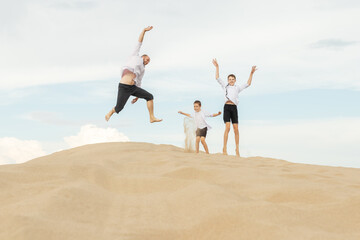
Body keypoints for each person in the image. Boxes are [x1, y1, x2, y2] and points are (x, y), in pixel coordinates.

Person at [105, 26, 162, 123]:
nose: (148, 61)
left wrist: (137, 97)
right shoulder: (135, 55)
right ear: (142, 56)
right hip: (124, 86)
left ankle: (151, 117)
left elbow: (139, 81)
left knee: (149, 96)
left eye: (149, 61)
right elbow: (139, 43)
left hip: (133, 88)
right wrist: (144, 31)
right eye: (147, 59)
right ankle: (110, 112)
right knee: (119, 107)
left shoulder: (143, 69)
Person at [212, 58, 257, 157]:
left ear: (235, 80)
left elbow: (248, 84)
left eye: (233, 79)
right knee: (227, 128)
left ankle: (237, 148)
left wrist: (251, 73)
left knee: (236, 129)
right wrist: (217, 67)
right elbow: (217, 78)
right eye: (230, 79)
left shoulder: (237, 88)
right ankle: (224, 148)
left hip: (234, 109)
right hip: (227, 107)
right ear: (228, 80)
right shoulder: (225, 86)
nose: (231, 81)